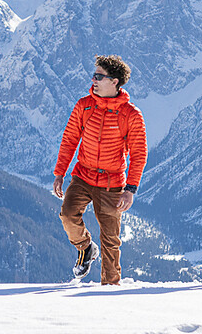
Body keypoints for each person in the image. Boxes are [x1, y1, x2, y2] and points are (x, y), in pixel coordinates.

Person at [52, 55, 147, 285]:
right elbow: (70, 139)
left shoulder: (131, 115)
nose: (93, 80)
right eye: (94, 75)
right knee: (67, 214)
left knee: (111, 239)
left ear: (114, 81)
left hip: (112, 183)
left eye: (99, 76)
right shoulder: (84, 105)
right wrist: (60, 174)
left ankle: (111, 287)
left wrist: (130, 189)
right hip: (82, 176)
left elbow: (139, 153)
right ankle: (86, 248)